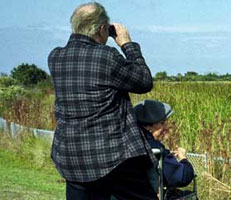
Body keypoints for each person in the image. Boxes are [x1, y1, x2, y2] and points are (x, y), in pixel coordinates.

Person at [48, 2, 156, 199]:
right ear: (101, 29)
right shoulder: (105, 56)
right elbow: (144, 82)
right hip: (111, 156)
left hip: (71, 155)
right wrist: (127, 44)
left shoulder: (56, 57)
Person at [133, 100, 195, 198]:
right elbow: (182, 177)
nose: (165, 127)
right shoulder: (155, 149)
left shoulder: (129, 142)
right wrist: (183, 159)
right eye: (162, 123)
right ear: (148, 126)